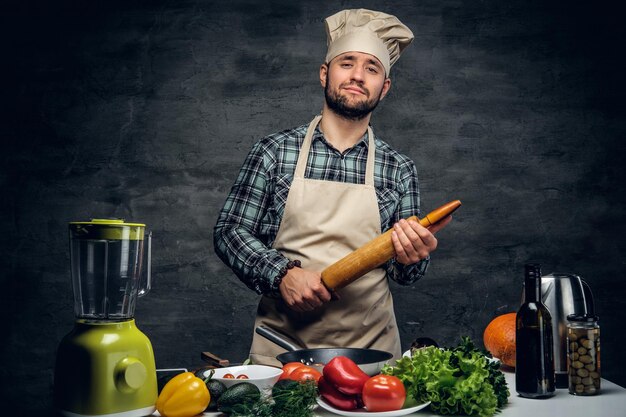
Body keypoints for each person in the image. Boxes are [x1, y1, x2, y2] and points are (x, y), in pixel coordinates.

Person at [213, 8, 453, 366]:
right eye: (347, 63)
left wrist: (413, 255)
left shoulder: (399, 168)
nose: (358, 76)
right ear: (325, 73)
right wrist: (281, 275)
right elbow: (230, 231)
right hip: (282, 351)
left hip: (371, 358)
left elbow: (406, 275)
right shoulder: (275, 151)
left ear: (384, 88)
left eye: (372, 68)